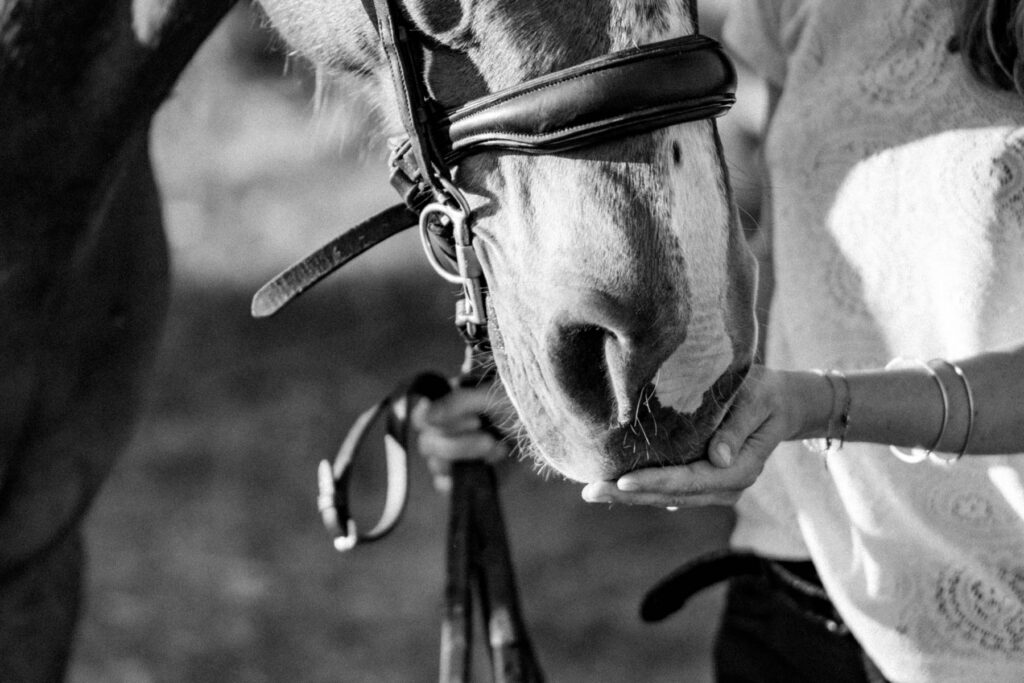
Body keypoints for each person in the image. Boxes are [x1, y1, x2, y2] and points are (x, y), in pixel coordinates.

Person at [416, 1, 1024, 680]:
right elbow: (788, 244)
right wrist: (551, 392)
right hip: (792, 584)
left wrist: (820, 405)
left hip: (990, 626)